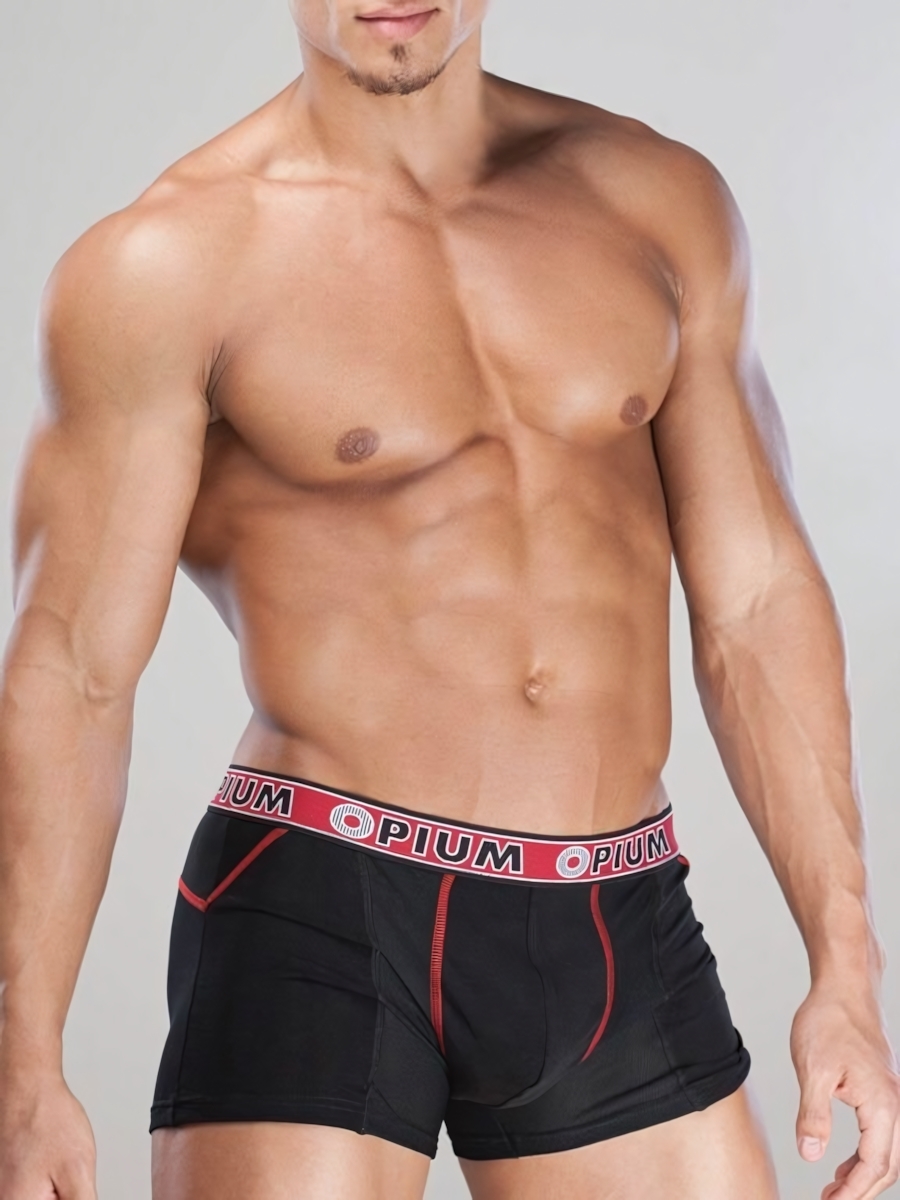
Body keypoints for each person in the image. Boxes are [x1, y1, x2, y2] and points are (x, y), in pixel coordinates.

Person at [0, 1, 897, 1197]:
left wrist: (844, 962)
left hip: (613, 911)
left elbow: (757, 597)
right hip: (322, 904)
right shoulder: (170, 262)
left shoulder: (656, 202)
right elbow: (72, 670)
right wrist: (23, 1059)